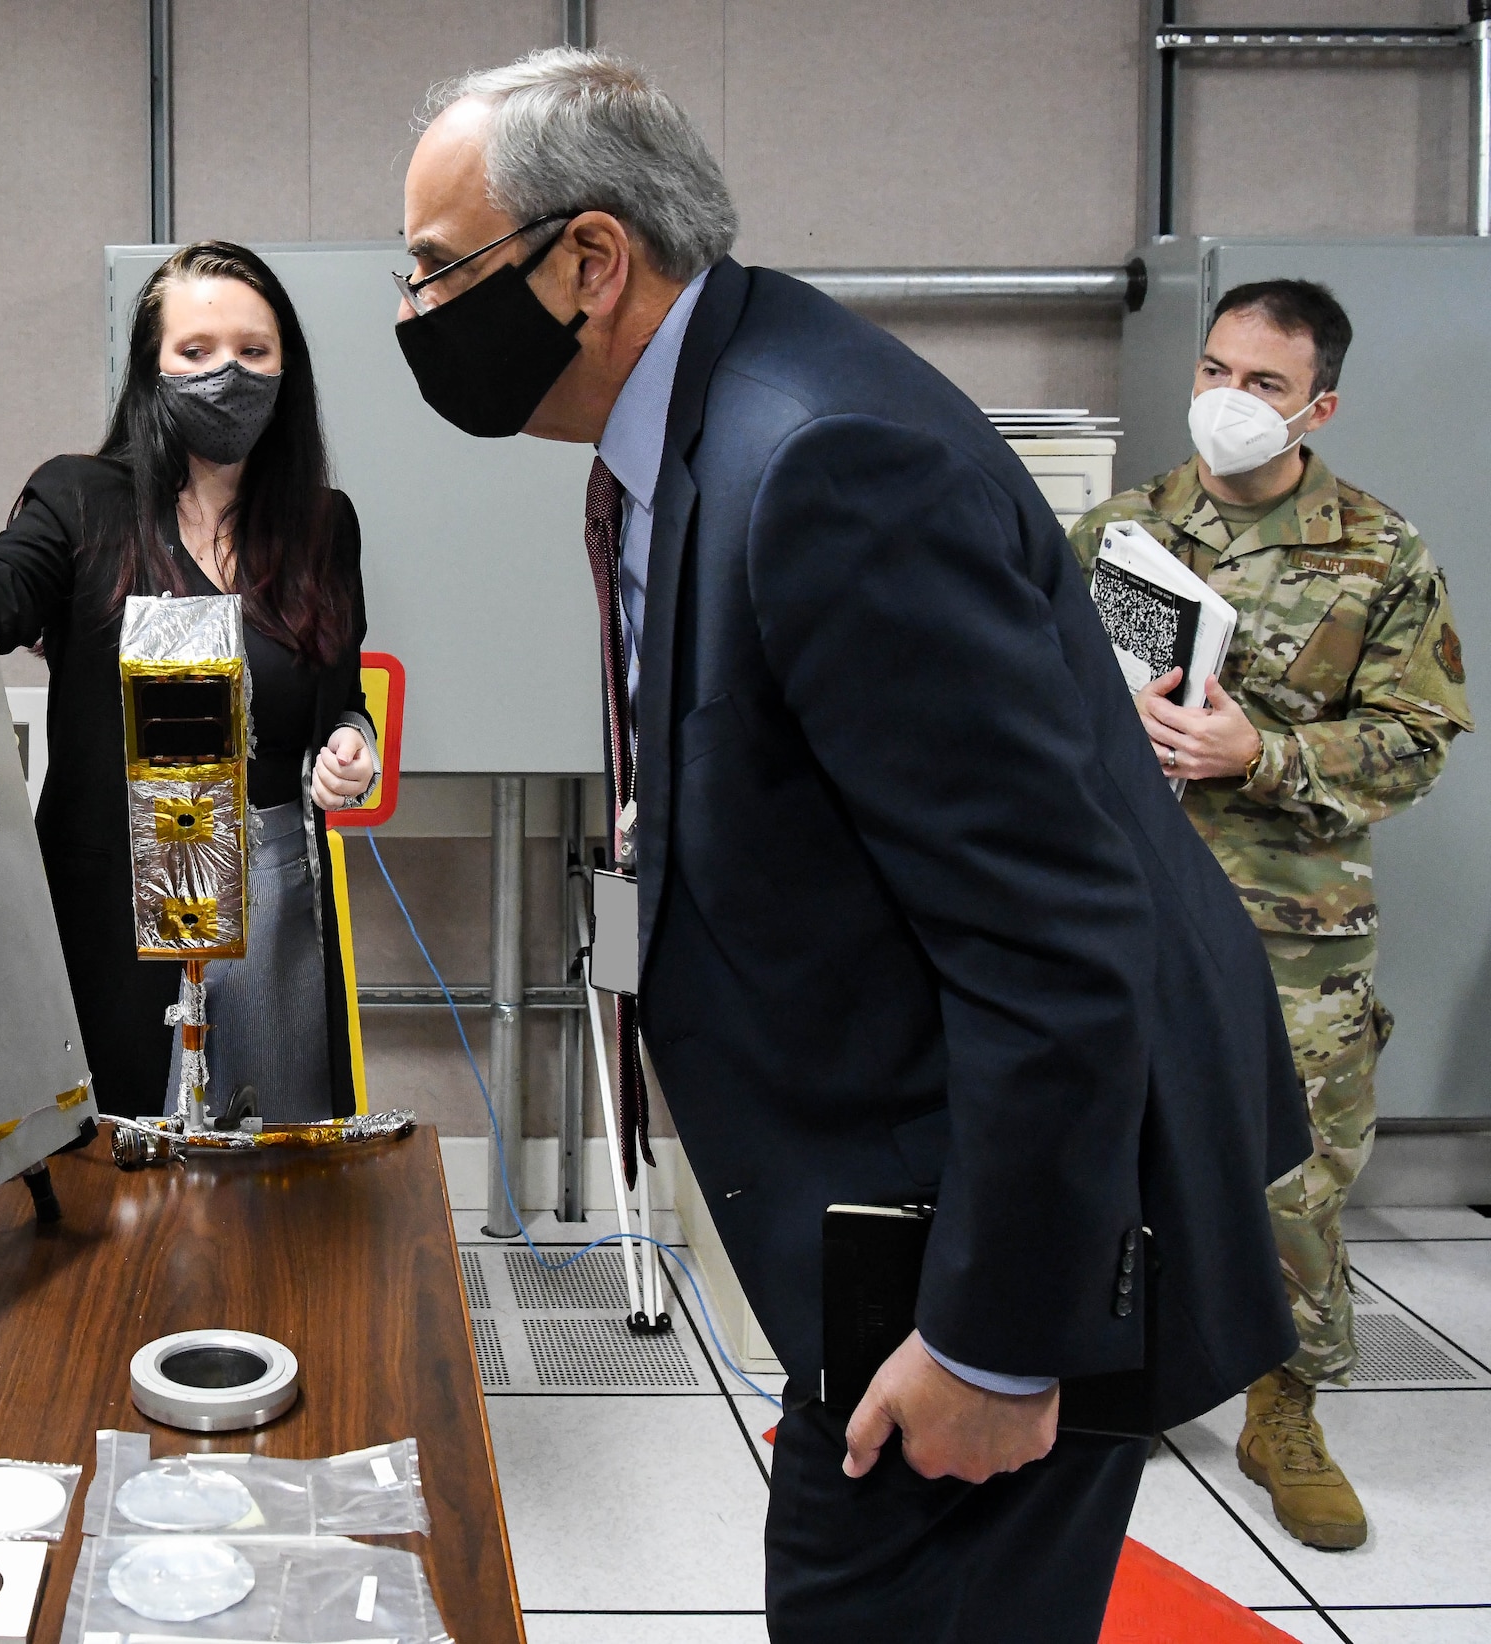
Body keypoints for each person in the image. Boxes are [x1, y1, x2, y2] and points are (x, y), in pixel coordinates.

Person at [394, 48, 1307, 1643]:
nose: (411, 317)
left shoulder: (817, 453)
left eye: (435, 270)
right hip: (913, 1192)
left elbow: (1054, 929)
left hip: (1009, 1240)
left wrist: (997, 1344)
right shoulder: (705, 417)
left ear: (590, 262)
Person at [1069, 280, 1472, 1551]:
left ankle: (1281, 1407)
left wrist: (1263, 753)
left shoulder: (1377, 549)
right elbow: (1040, 696)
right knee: (1104, 1142)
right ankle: (1112, 1376)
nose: (1225, 402)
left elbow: (1415, 743)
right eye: (1212, 371)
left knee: (1287, 1178)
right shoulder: (1118, 535)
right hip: (1125, 897)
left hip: (1289, 923)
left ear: (1318, 405)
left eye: (1261, 385)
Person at [0, 241, 377, 1123]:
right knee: (117, 1176)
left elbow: (338, 699)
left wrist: (354, 746)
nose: (226, 374)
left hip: (272, 901)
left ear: (287, 369)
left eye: (253, 351)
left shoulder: (322, 525)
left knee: (271, 1178)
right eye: (196, 352)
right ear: (151, 370)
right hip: (111, 900)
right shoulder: (81, 498)